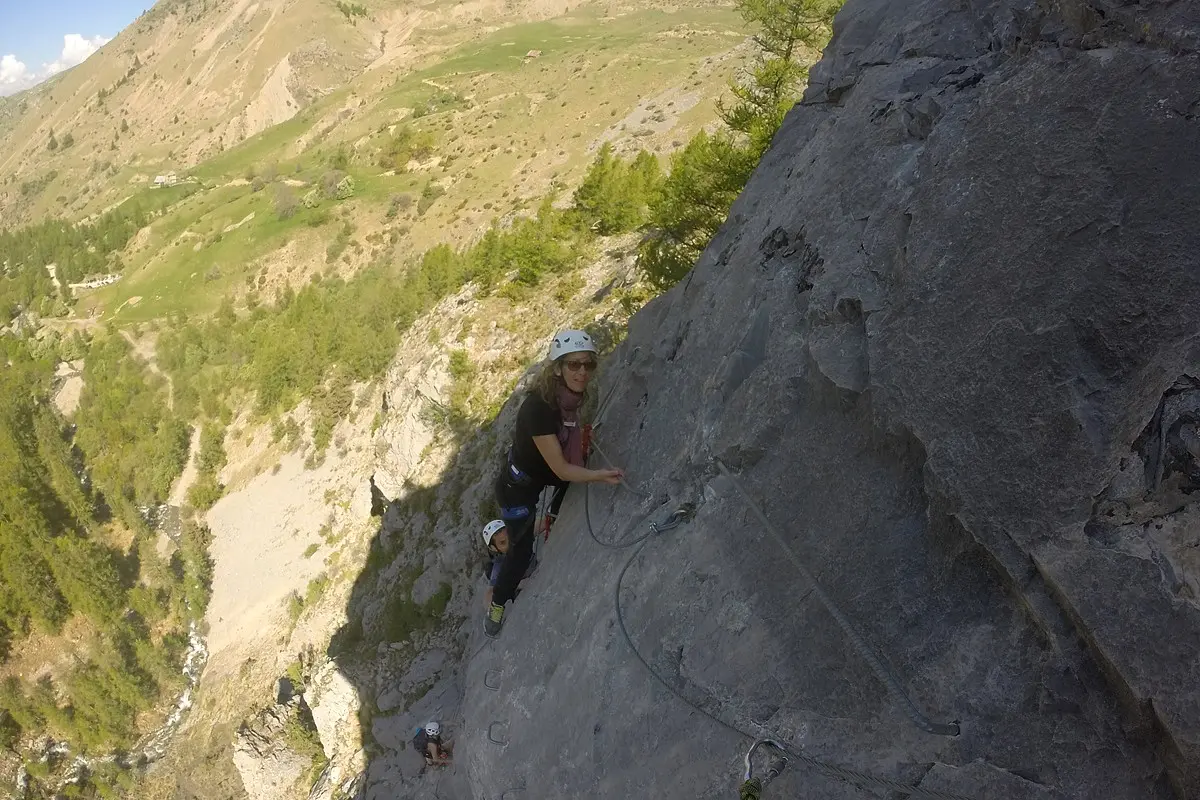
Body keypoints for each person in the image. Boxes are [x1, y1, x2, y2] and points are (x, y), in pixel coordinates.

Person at [485, 329, 623, 638]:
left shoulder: (569, 396)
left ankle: (553, 518)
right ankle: (497, 603)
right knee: (520, 552)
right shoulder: (539, 409)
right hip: (516, 488)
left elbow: (563, 456)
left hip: (540, 471)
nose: (582, 372)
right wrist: (599, 476)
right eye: (574, 365)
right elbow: (562, 469)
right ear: (558, 368)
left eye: (588, 365)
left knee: (573, 479)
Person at [481, 519, 537, 607]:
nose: (509, 544)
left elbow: (535, 527)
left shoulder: (519, 541)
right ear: (494, 548)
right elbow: (489, 595)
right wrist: (517, 585)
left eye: (509, 537)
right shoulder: (500, 566)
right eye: (503, 543)